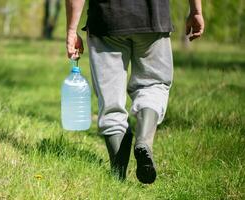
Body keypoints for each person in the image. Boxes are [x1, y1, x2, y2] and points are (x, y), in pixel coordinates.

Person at [66, 0, 204, 184]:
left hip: (106, 19)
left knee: (110, 100)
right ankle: (144, 141)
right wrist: (196, 11)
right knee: (153, 85)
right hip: (153, 18)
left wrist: (71, 30)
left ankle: (118, 177)